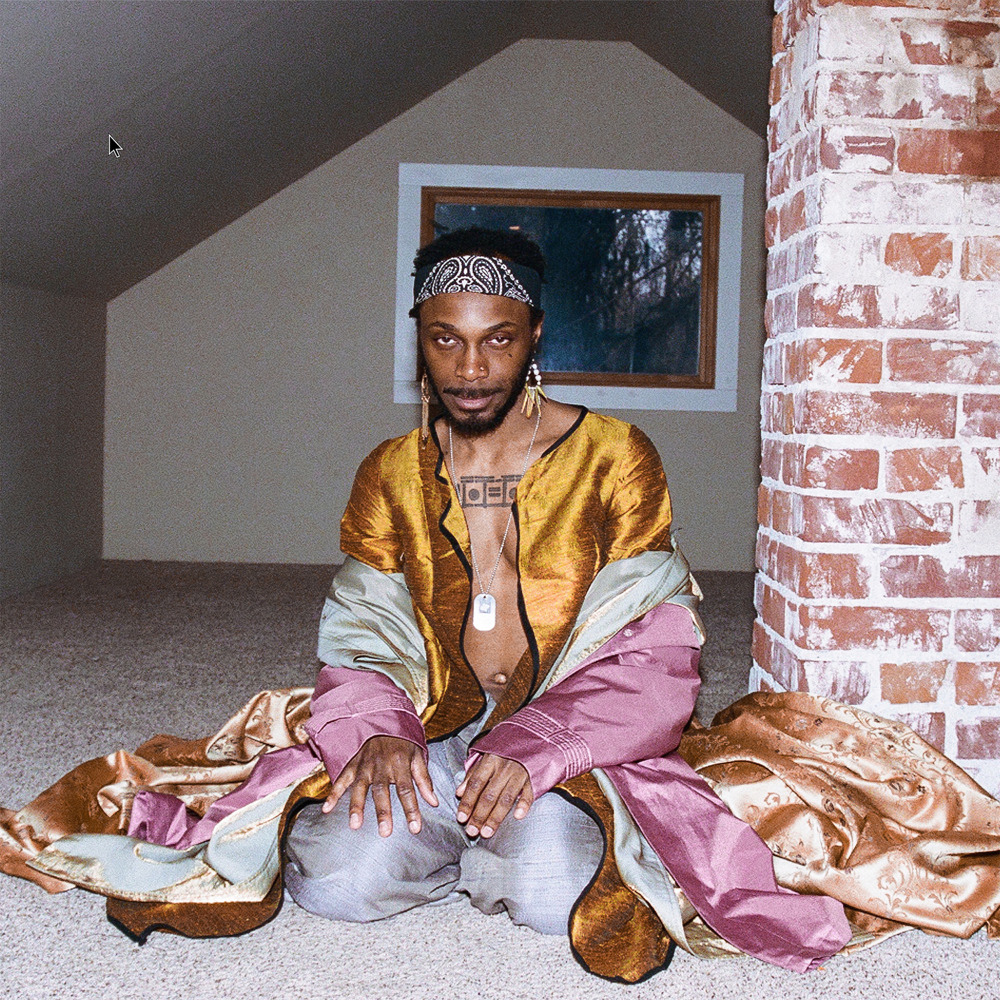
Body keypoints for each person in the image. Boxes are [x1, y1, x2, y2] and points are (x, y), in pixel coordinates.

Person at [275, 226, 851, 975]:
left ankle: (488, 837)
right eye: (446, 340)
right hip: (433, 721)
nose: (471, 368)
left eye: (499, 340)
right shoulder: (389, 472)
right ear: (419, 338)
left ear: (536, 335)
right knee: (338, 882)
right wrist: (379, 729)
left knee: (553, 895)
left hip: (566, 724)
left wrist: (541, 744)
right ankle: (464, 830)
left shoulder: (614, 456)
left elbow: (656, 647)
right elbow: (363, 629)